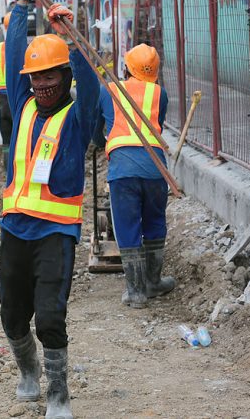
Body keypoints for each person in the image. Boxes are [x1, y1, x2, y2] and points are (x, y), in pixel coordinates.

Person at [0, 0, 99, 419]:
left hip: (57, 231)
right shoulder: (22, 105)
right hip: (15, 228)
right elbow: (16, 56)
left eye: (49, 77)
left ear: (63, 76)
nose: (41, 85)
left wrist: (71, 40)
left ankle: (58, 396)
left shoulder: (77, 118)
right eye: (35, 79)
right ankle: (28, 373)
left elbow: (93, 92)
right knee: (11, 314)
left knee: (51, 317)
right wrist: (21, 6)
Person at [92, 43, 174, 308]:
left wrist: (101, 142)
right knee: (154, 221)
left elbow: (97, 128)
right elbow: (156, 124)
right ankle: (153, 282)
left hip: (123, 171)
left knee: (128, 227)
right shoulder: (160, 93)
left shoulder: (110, 90)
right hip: (155, 168)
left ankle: (136, 292)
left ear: (126, 68)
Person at [0, 11, 13, 167]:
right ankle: (16, 168)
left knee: (6, 136)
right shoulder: (24, 48)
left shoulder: (0, 48)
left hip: (3, 98)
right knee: (19, 135)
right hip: (17, 98)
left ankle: (7, 169)